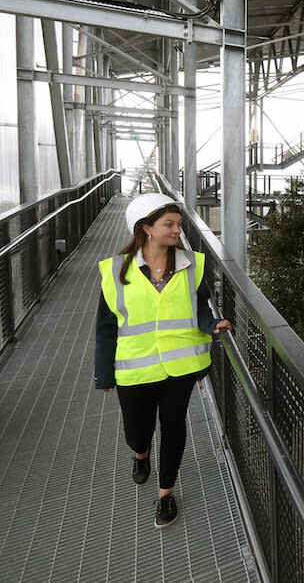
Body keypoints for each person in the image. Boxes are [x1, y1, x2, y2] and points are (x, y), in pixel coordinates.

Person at [94, 193, 232, 529]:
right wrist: (104, 374)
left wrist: (211, 324)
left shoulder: (192, 263)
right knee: (137, 431)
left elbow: (200, 305)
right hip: (135, 367)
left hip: (180, 367)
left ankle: (165, 493)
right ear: (147, 228)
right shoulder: (116, 271)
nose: (177, 230)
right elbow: (106, 326)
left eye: (178, 224)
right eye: (169, 224)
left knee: (174, 427)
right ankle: (141, 454)